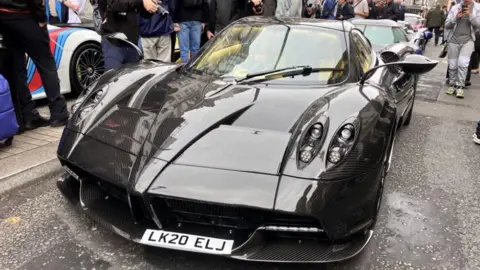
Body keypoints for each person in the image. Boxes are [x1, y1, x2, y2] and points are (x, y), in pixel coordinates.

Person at [0, 0, 70, 129]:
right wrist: (41, 17)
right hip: (26, 16)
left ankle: (27, 115)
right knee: (46, 65)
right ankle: (58, 113)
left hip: (5, 19)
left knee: (17, 70)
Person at [98, 0, 158, 71]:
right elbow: (114, 4)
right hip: (113, 41)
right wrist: (142, 1)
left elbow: (144, 14)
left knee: (132, 79)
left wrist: (150, 6)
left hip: (132, 43)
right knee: (113, 78)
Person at [444, 0, 480, 98]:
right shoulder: (455, 8)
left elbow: (478, 25)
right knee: (452, 64)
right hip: (453, 40)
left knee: (463, 63)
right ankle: (452, 85)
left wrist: (470, 15)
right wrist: (456, 18)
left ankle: (460, 86)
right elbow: (447, 25)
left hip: (468, 41)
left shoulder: (478, 8)